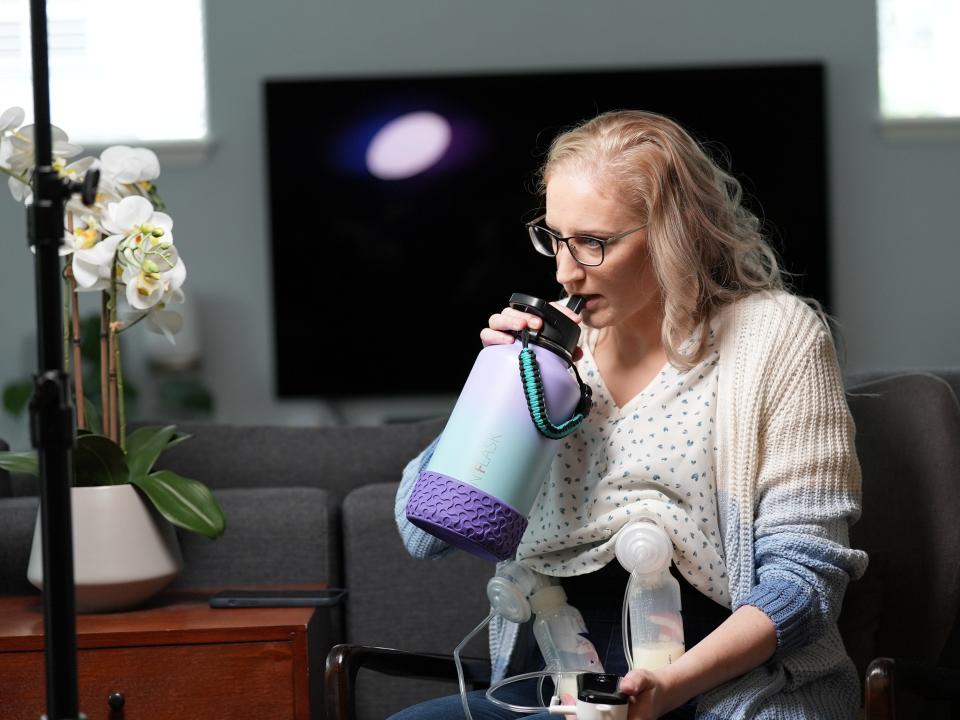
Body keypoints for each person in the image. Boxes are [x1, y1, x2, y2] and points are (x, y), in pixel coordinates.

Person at [391, 110, 867, 720]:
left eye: (594, 242)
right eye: (554, 238)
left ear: (676, 232)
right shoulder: (551, 352)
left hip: (719, 684)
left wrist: (672, 686)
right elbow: (420, 533)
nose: (564, 272)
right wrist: (490, 398)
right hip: (554, 683)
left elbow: (807, 583)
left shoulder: (775, 338)